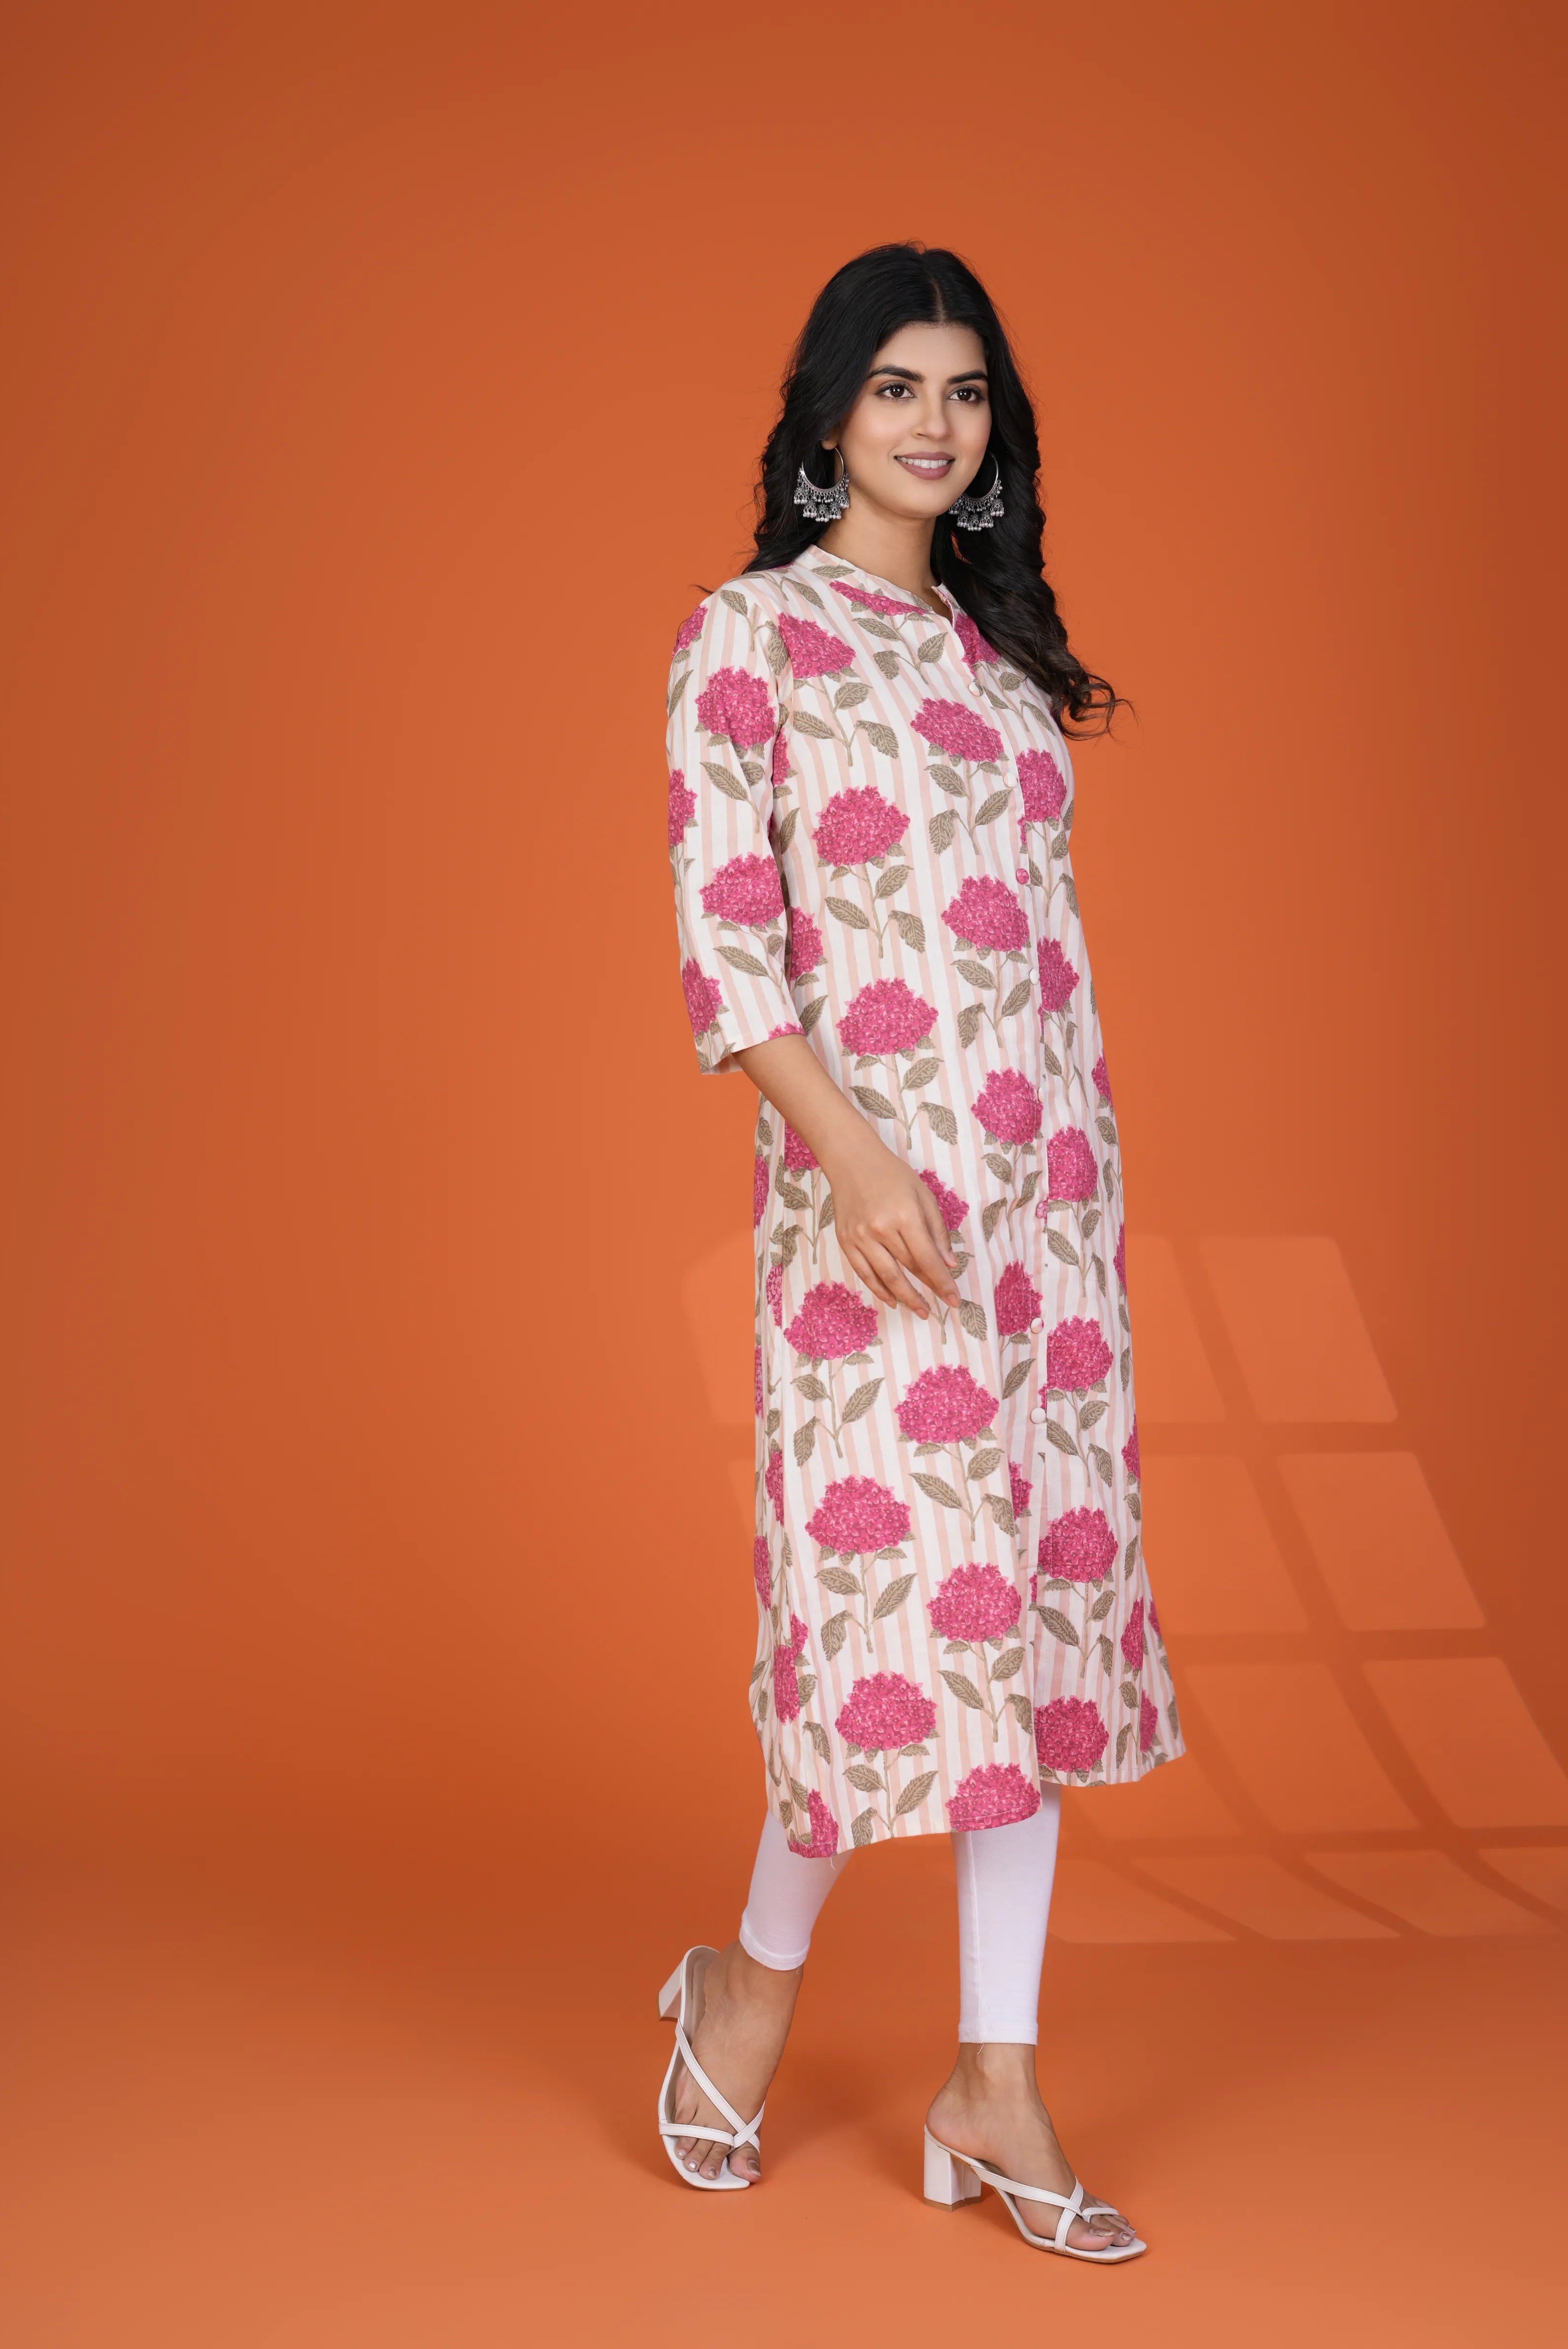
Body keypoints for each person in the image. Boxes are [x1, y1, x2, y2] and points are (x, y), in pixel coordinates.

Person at [656, 242, 1185, 2262]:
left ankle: (996, 2079)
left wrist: (1066, 1202)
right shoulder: (750, 641)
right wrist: (857, 1160)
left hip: (1045, 1227)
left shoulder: (996, 666)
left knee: (1018, 1640)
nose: (935, 424)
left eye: (966, 393)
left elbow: (1044, 970)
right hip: (867, 1221)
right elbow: (731, 950)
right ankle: (750, 1981)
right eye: (897, 388)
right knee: (885, 1639)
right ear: (828, 416)